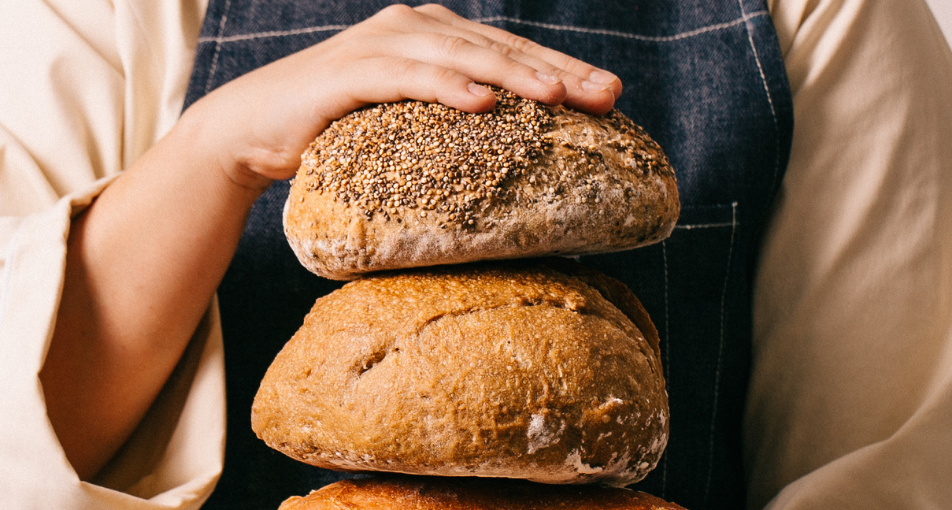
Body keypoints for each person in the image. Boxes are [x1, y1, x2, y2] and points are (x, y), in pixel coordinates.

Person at [1, 0, 950, 509]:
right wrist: (215, 152)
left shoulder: (833, 9)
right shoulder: (106, 11)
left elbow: (892, 465)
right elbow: (23, 456)